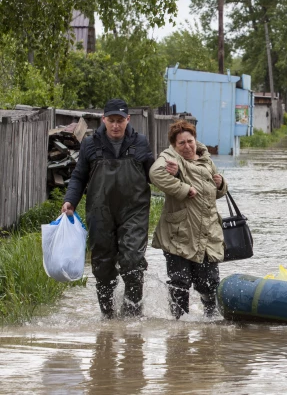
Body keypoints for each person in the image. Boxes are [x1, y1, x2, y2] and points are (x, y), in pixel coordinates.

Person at [62, 98, 154, 319]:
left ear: (127, 120)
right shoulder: (90, 144)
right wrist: (70, 201)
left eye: (119, 120)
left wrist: (173, 174)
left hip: (134, 211)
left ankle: (132, 315)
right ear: (104, 120)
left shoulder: (140, 143)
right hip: (100, 211)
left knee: (132, 261)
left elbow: (154, 174)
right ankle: (108, 317)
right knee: (102, 266)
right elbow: (78, 176)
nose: (115, 125)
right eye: (111, 120)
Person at [149, 120, 227, 319]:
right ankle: (179, 333)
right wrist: (184, 189)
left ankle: (211, 328)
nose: (187, 146)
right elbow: (155, 173)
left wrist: (221, 185)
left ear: (195, 139)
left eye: (190, 141)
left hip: (207, 232)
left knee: (209, 284)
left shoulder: (206, 160)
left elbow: (212, 194)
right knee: (180, 283)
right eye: (181, 143)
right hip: (180, 234)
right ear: (174, 145)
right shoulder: (170, 158)